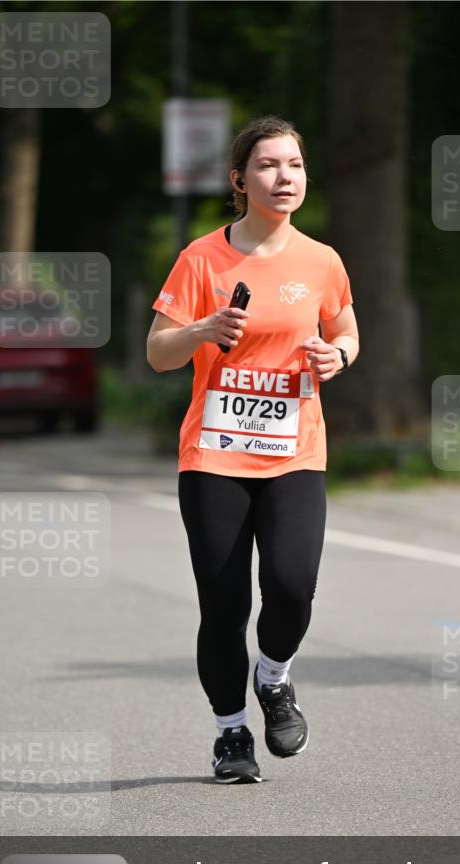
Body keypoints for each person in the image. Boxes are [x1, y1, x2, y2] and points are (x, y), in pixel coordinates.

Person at [147, 115, 359, 784]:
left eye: (293, 165)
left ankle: (273, 678)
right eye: (268, 165)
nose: (284, 177)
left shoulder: (321, 261)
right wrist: (203, 328)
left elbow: (347, 329)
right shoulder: (201, 259)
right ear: (240, 180)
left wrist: (338, 356)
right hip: (213, 457)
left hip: (295, 451)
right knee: (223, 605)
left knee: (292, 587)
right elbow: (157, 353)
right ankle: (229, 734)